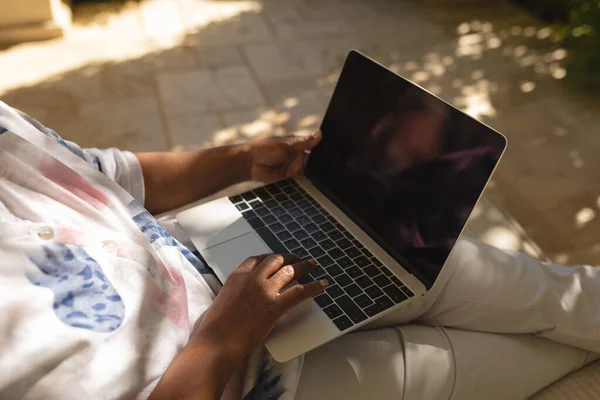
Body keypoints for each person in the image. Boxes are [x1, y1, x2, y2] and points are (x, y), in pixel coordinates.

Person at [0, 99, 599, 400]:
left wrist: (238, 161)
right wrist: (224, 336)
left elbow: (104, 174)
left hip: (219, 258)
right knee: (543, 362)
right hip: (243, 378)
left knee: (537, 291)